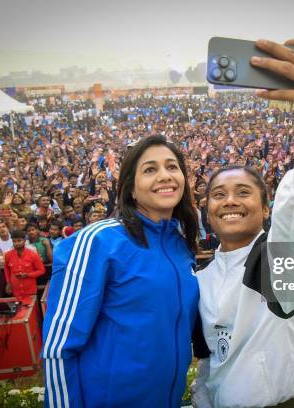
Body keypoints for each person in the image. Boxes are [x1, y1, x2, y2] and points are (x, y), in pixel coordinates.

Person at [191, 37, 294, 408]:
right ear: (207, 211)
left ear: (264, 210)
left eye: (243, 192)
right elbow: (212, 360)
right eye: (218, 194)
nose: (229, 200)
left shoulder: (274, 261)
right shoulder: (201, 279)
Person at [42, 135, 199, 407]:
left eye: (172, 167)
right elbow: (59, 347)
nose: (165, 176)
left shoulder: (181, 246)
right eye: (150, 169)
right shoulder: (99, 241)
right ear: (130, 189)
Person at [3, 229, 45, 300]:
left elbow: (42, 270)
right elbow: (6, 269)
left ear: (25, 240)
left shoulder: (33, 255)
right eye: (14, 241)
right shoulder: (8, 255)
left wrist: (28, 275)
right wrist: (8, 283)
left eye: (19, 241)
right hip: (16, 292)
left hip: (30, 291)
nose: (17, 243)